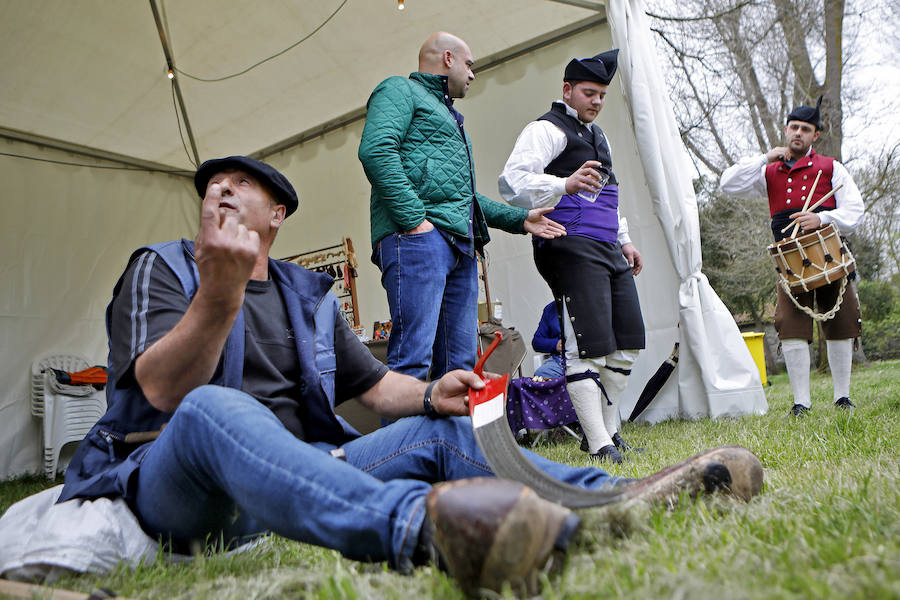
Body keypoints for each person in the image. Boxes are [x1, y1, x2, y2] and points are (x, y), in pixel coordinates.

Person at [57, 156, 761, 597]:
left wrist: (428, 392)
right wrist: (219, 295)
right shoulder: (168, 267)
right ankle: (428, 536)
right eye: (212, 186)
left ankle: (617, 500)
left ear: (276, 214)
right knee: (213, 409)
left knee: (435, 426)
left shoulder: (308, 294)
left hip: (304, 470)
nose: (219, 192)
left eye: (239, 185)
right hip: (179, 484)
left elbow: (370, 389)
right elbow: (162, 396)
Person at [358, 32, 566, 382]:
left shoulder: (451, 117)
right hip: (418, 240)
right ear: (448, 58)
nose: (472, 74)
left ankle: (452, 439)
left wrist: (521, 218)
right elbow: (376, 151)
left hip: (459, 245)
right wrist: (415, 223)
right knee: (412, 359)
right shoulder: (399, 90)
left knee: (460, 365)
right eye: (469, 64)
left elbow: (464, 199)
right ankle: (402, 440)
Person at [498, 50, 645, 463]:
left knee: (627, 343)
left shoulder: (600, 137)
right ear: (567, 90)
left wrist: (625, 238)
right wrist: (563, 184)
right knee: (587, 347)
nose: (597, 101)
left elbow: (609, 195)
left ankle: (608, 434)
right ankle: (599, 443)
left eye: (601, 94)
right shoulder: (546, 129)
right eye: (588, 92)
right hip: (567, 244)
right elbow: (512, 183)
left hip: (606, 247)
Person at [720, 98, 864, 417]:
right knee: (791, 325)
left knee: (841, 322)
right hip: (790, 264)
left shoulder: (831, 167)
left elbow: (856, 211)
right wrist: (764, 157)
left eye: (806, 129)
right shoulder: (768, 171)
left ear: (815, 136)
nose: (798, 133)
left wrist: (823, 219)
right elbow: (727, 184)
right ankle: (802, 403)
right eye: (794, 127)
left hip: (830, 257)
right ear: (786, 130)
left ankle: (842, 397)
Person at [533, 300, 564, 379]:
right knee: (541, 374)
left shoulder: (587, 303)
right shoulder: (551, 308)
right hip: (560, 361)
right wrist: (556, 344)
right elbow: (537, 342)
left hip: (585, 360)